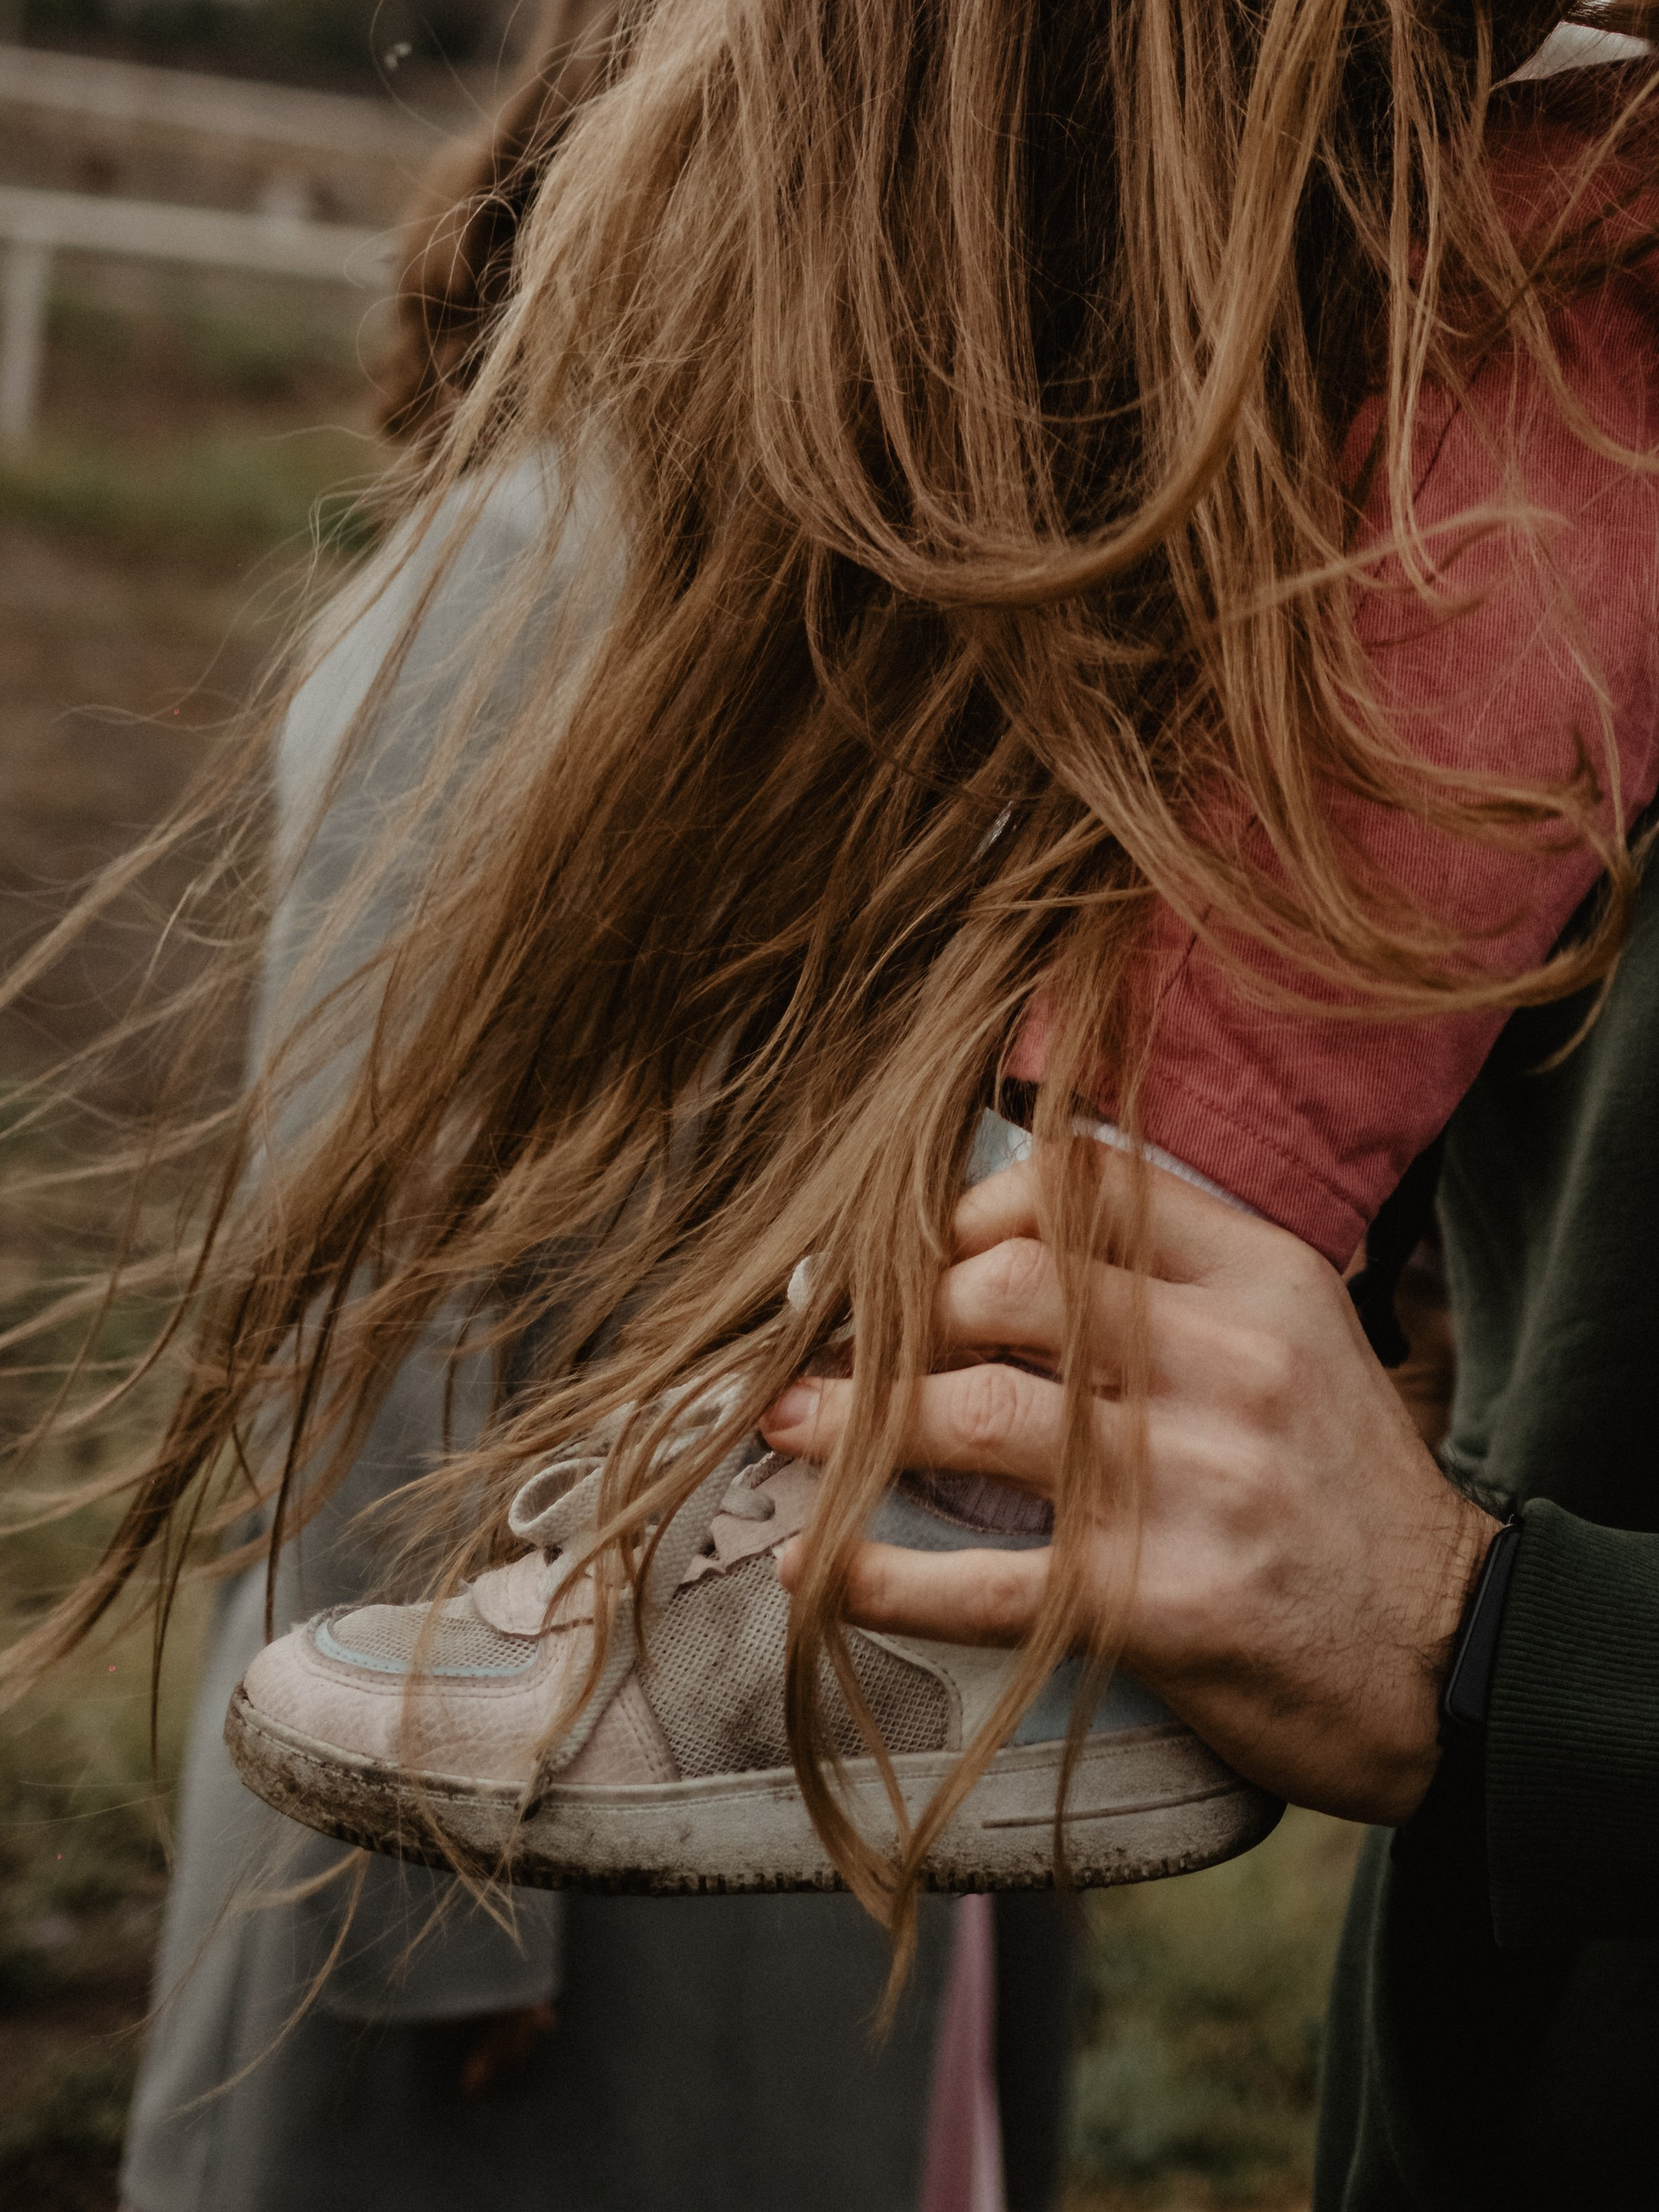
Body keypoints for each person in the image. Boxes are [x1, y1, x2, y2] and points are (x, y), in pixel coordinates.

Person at [1, 0, 1654, 2199]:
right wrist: (434, 1924)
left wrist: (1494, 1626)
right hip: (636, 1731)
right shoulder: (537, 577)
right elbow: (388, 1315)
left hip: (836, 1693)